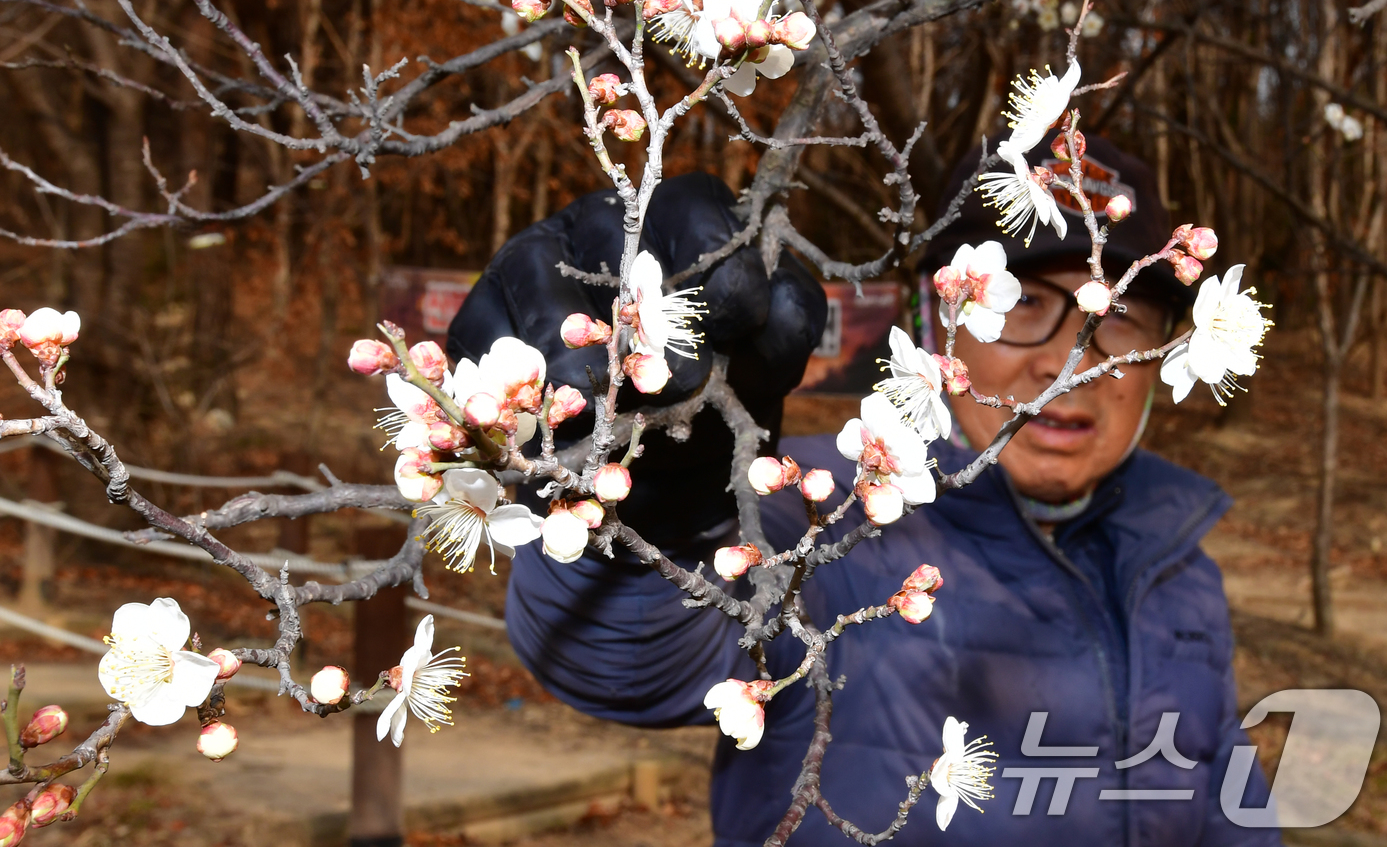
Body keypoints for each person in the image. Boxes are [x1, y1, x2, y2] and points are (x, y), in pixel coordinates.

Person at [446, 133, 1280, 847]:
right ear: (935, 318)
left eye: (1120, 316)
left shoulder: (1181, 571)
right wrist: (660, 507)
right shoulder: (827, 514)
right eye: (1021, 302)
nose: (1065, 365)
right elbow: (622, 655)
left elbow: (1227, 808)